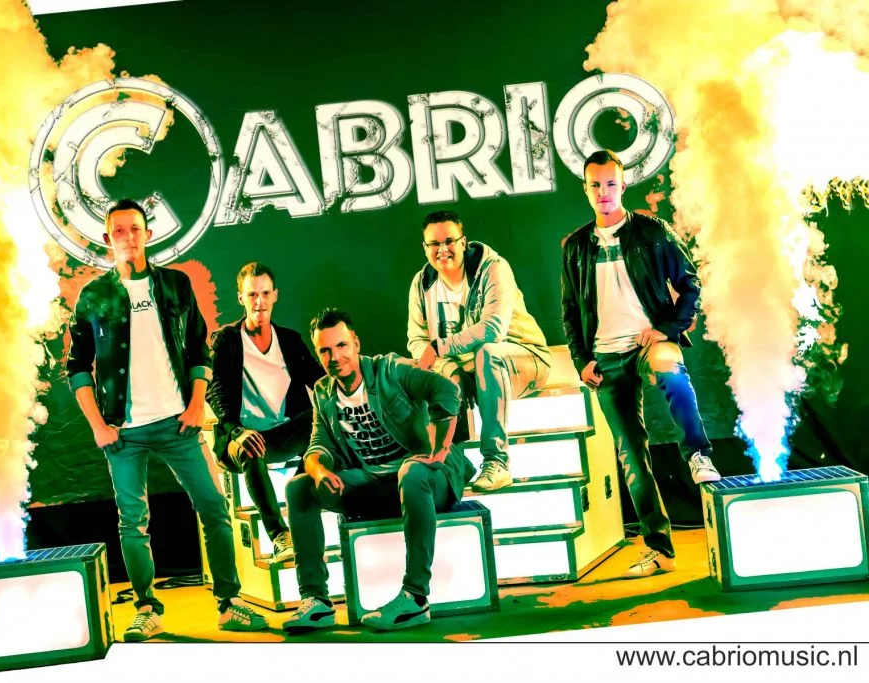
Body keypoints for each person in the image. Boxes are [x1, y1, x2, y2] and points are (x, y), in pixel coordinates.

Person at [66, 198, 268, 640]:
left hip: (180, 423)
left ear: (148, 235)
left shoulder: (176, 284)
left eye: (135, 229)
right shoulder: (94, 296)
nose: (128, 238)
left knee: (214, 508)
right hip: (124, 432)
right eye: (119, 231)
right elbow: (77, 366)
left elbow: (198, 349)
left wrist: (196, 405)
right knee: (133, 523)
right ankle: (146, 608)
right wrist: (98, 425)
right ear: (107, 239)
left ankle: (229, 603)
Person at [560, 149, 722, 579]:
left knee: (671, 370)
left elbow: (690, 284)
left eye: (610, 184)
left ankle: (698, 455)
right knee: (632, 458)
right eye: (595, 185)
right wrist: (581, 360)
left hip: (647, 345)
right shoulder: (576, 247)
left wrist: (668, 328)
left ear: (623, 185)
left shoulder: (652, 232)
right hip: (605, 360)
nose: (603, 192)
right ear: (585, 189)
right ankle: (660, 550)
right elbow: (569, 311)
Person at [282, 309, 476, 632]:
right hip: (374, 481)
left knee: (411, 473)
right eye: (325, 351)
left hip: (426, 477)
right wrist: (319, 471)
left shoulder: (390, 370)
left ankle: (415, 598)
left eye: (341, 346)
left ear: (356, 344)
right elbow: (318, 446)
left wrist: (441, 449)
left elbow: (446, 390)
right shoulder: (323, 392)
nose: (335, 357)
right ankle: (316, 601)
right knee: (299, 488)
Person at [407, 210, 552, 492]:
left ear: (463, 242)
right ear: (425, 248)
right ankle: (453, 465)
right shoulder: (422, 283)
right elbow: (416, 340)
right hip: (470, 370)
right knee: (432, 374)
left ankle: (497, 462)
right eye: (434, 244)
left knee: (488, 353)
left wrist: (439, 348)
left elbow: (492, 329)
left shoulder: (494, 268)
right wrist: (446, 366)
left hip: (524, 359)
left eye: (449, 241)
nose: (442, 249)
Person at [207, 262, 324, 561]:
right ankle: (280, 536)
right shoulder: (227, 340)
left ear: (275, 296)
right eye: (252, 295)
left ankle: (298, 503)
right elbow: (215, 389)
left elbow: (320, 381)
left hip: (283, 433)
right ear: (241, 298)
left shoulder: (290, 340)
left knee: (322, 421)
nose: (259, 301)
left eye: (265, 294)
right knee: (251, 447)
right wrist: (236, 431)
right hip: (242, 437)